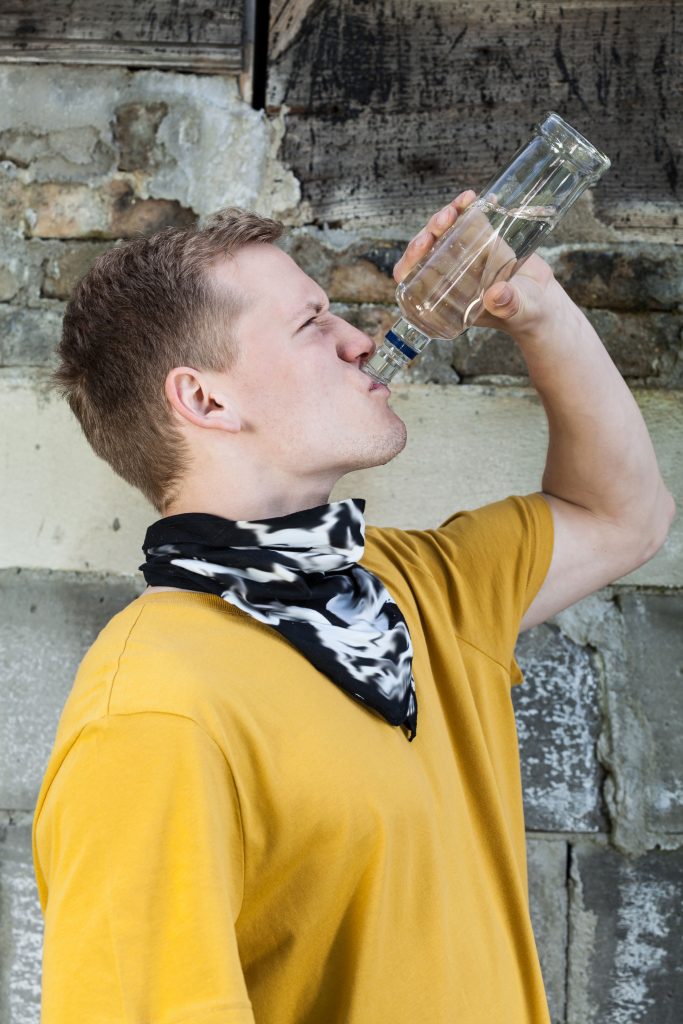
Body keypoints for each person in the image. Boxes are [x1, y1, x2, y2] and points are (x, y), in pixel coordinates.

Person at [32, 194, 674, 1024]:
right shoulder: (153, 712)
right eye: (311, 325)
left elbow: (625, 516)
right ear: (206, 401)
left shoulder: (411, 584)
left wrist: (534, 307)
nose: (359, 340)